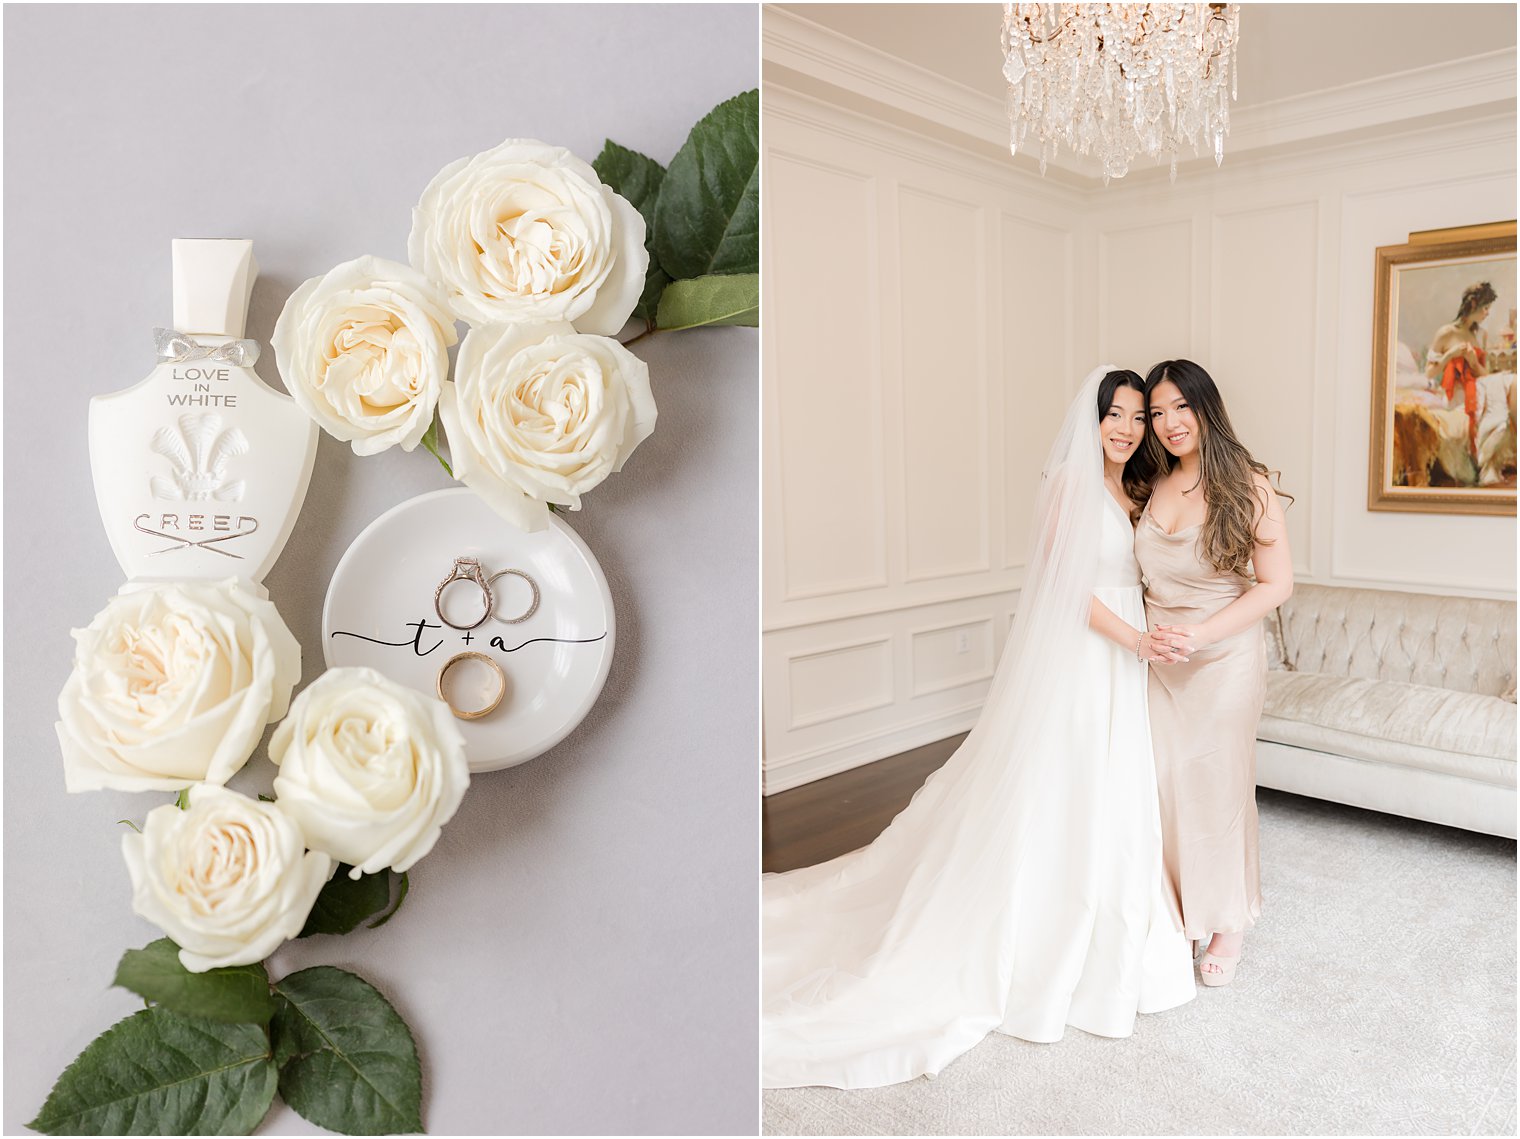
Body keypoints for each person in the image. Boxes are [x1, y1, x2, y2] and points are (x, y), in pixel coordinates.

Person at [762, 366, 1195, 1091]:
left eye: (1134, 416)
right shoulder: (1068, 485)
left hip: (1127, 658)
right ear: (1089, 422)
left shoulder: (1136, 493)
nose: (1124, 427)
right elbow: (1066, 586)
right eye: (1112, 414)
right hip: (1088, 656)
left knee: (1115, 786)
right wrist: (1138, 640)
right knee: (1063, 783)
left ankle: (1116, 928)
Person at [1135, 359, 1293, 987]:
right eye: (1156, 413)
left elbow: (1277, 584)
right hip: (1158, 661)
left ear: (1205, 407)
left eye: (1181, 407)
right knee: (1165, 784)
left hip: (1222, 657)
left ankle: (1229, 920)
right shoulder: (1149, 485)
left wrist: (1200, 634)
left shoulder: (1246, 484)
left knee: (1219, 787)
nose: (1170, 423)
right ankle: (1179, 910)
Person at [1425, 282, 1499, 462]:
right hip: (1455, 398)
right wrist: (1449, 355)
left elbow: (1486, 376)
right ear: (1473, 304)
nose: (1487, 313)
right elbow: (1429, 374)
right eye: (1485, 307)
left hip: (1479, 395)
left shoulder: (1481, 335)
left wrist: (1473, 363)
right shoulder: (1446, 333)